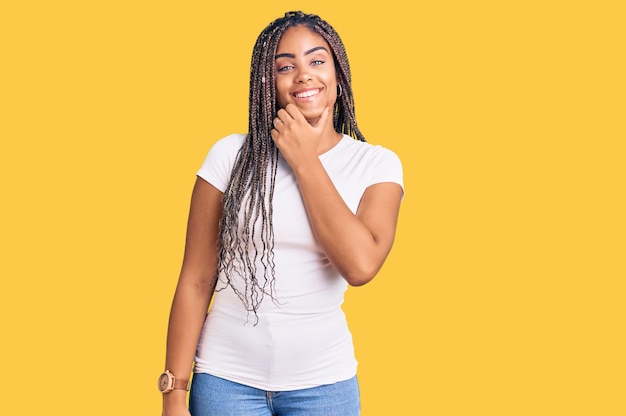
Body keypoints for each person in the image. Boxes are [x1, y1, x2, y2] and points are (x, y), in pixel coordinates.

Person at [159, 10, 404, 416]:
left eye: (317, 61)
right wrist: (174, 394)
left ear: (338, 76)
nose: (304, 75)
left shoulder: (375, 165)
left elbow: (361, 266)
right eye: (285, 67)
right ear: (267, 84)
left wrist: (305, 159)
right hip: (225, 382)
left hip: (324, 387)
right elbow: (196, 279)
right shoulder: (230, 157)